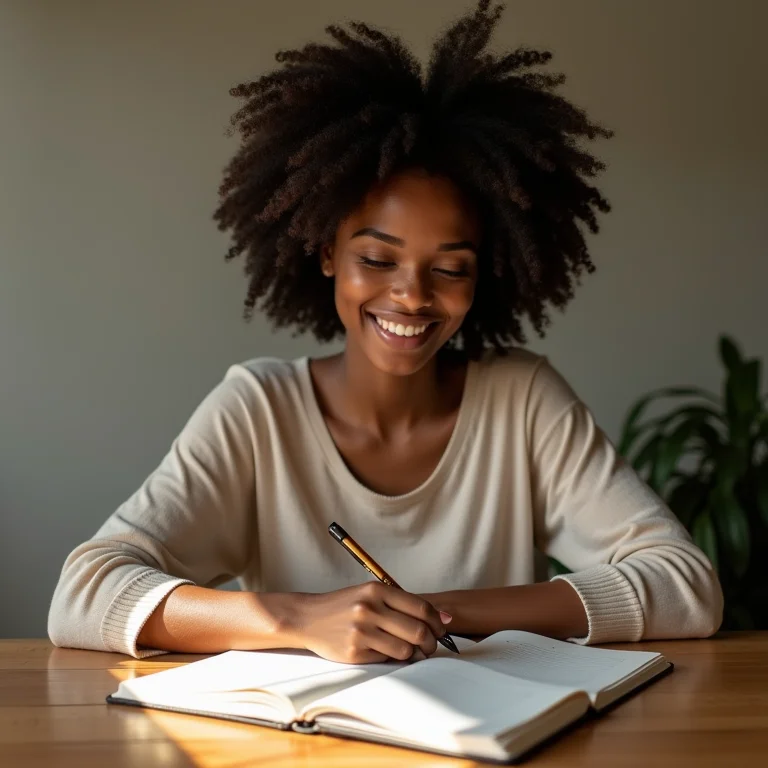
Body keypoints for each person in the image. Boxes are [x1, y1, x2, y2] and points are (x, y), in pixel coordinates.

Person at [48, 1, 722, 663]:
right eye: (377, 259)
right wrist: (300, 618)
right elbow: (83, 595)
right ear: (325, 254)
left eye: (451, 268)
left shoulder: (522, 401)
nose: (412, 295)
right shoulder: (258, 411)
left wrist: (436, 613)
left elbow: (686, 584)